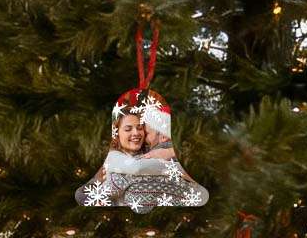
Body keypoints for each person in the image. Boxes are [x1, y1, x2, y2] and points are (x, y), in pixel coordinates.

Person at [75, 89, 209, 212]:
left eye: (140, 128)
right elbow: (135, 169)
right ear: (117, 134)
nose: (137, 133)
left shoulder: (152, 152)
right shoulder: (113, 158)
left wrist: (168, 154)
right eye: (128, 129)